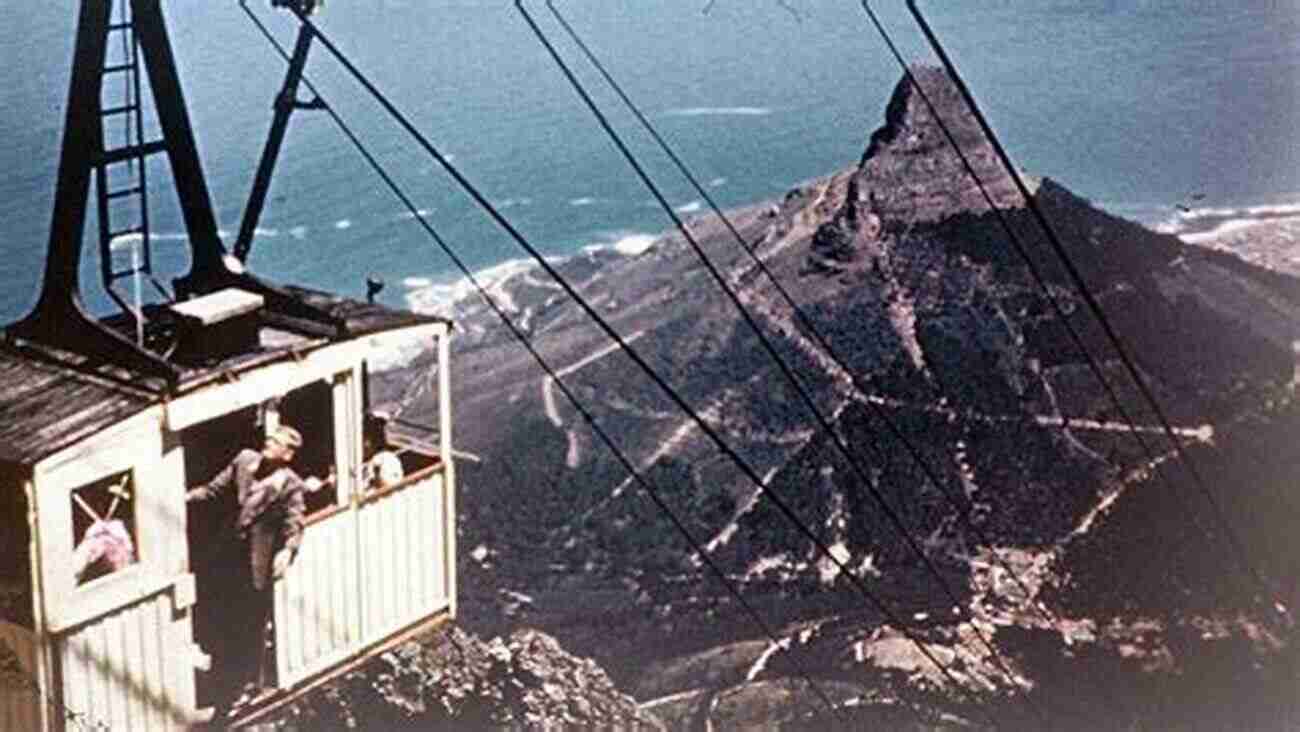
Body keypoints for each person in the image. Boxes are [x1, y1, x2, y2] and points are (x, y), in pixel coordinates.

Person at [186, 424, 323, 709]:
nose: (268, 442)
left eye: (276, 442)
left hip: (256, 565)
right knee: (225, 617)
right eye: (269, 438)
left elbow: (295, 522)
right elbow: (213, 490)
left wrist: (287, 550)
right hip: (229, 556)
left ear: (287, 455)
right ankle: (222, 676)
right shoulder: (245, 460)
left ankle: (250, 685)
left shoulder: (289, 484)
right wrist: (183, 497)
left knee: (252, 626)